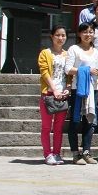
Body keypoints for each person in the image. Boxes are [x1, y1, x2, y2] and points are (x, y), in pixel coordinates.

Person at [65, 22, 98, 165]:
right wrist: (86, 70)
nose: (88, 34)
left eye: (91, 32)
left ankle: (86, 152)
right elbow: (68, 69)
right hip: (78, 89)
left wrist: (97, 71)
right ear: (79, 34)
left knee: (90, 121)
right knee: (75, 121)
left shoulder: (96, 51)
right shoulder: (74, 49)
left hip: (93, 89)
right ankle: (75, 153)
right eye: (85, 32)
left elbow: (96, 69)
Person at [37, 25, 69, 165]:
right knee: (46, 126)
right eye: (57, 35)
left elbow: (69, 75)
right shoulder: (45, 53)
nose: (60, 38)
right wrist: (54, 89)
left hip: (62, 94)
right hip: (49, 93)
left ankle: (56, 153)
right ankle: (47, 154)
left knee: (59, 127)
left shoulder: (67, 54)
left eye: (63, 35)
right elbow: (44, 72)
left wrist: (68, 88)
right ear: (52, 36)